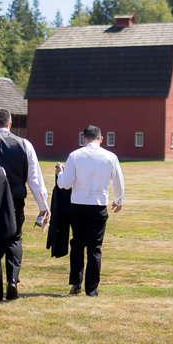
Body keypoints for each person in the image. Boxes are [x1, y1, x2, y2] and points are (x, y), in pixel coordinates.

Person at [0, 108, 49, 300]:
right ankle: (12, 280)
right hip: (15, 198)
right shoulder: (24, 144)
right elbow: (34, 178)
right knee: (15, 237)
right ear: (10, 124)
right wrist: (43, 205)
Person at [55, 125, 124, 297]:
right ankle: (92, 289)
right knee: (95, 248)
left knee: (77, 244)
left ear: (84, 139)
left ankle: (76, 284)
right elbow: (118, 181)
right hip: (98, 205)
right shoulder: (110, 157)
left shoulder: (75, 155)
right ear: (101, 139)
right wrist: (118, 199)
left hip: (78, 205)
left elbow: (66, 183)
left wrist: (59, 174)